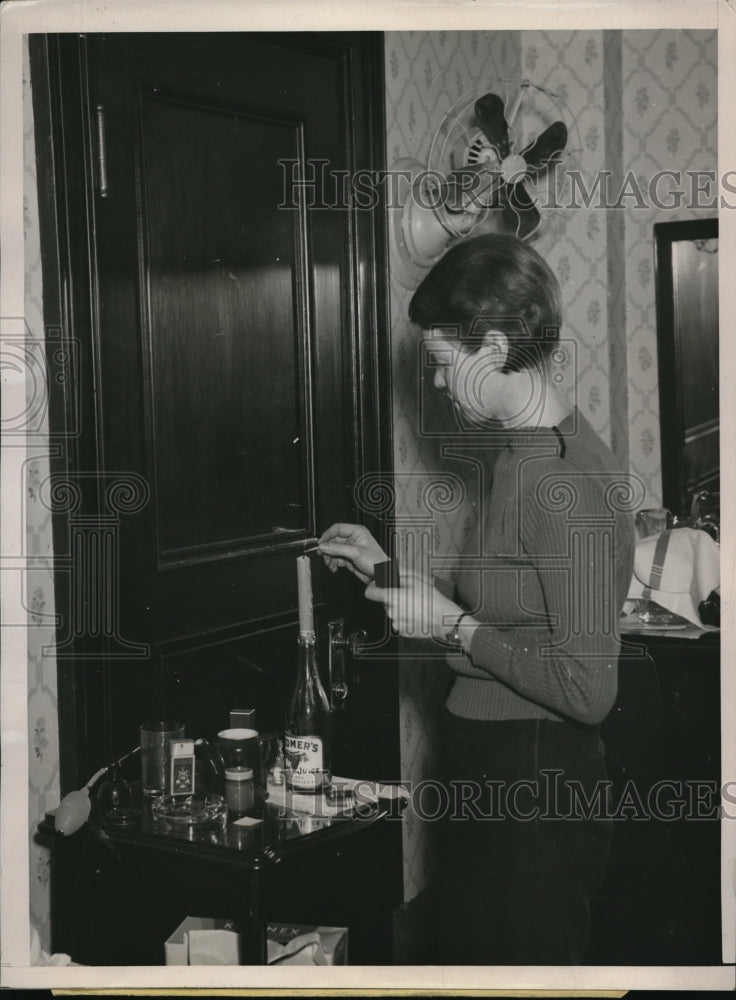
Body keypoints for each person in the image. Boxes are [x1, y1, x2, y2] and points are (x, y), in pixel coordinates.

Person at [318, 233, 635, 965]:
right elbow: (511, 616)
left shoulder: (560, 480)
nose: (435, 385)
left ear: (492, 346)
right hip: (500, 770)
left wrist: (455, 626)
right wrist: (387, 572)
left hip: (533, 785)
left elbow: (588, 689)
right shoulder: (522, 454)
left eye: (441, 363)